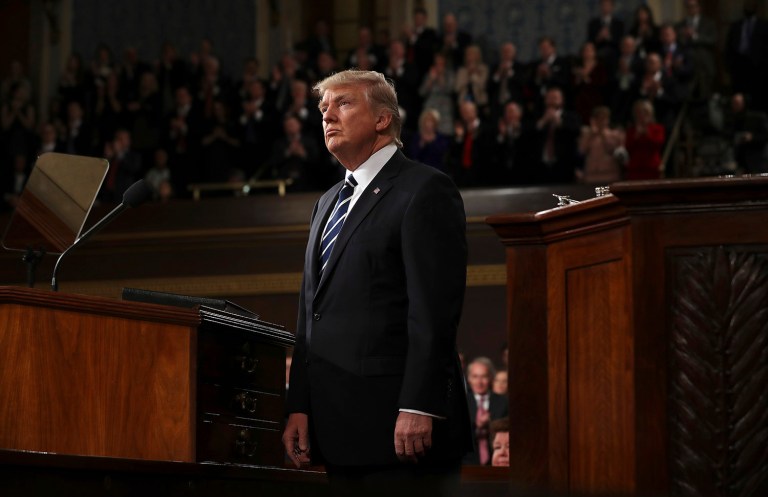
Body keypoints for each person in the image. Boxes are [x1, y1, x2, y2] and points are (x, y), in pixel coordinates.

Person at [282, 69, 472, 497]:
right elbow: (309, 314)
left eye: (343, 103)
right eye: (323, 108)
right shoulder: (327, 202)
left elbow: (434, 311)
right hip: (336, 432)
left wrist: (419, 403)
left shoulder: (424, 190)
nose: (328, 115)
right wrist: (299, 406)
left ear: (383, 119)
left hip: (401, 431)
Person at [464, 357, 508, 466]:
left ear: (491, 378)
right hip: (467, 463)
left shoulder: (504, 402)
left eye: (483, 377)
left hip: (497, 462)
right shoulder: (461, 402)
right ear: (469, 379)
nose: (479, 382)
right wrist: (477, 426)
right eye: (475, 377)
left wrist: (490, 423)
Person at [625, 99, 666, 180]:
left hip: (652, 168)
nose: (642, 115)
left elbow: (658, 144)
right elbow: (628, 147)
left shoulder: (657, 128)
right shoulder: (631, 130)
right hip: (635, 169)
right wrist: (636, 136)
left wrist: (647, 134)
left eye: (645, 112)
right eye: (639, 112)